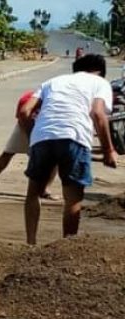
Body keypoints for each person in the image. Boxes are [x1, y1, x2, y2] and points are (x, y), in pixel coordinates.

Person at [22, 53, 118, 246]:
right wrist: (109, 151)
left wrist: (33, 139)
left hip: (42, 136)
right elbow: (98, 113)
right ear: (100, 72)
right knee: (72, 198)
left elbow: (25, 112)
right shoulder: (100, 83)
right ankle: (66, 248)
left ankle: (30, 244)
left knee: (33, 193)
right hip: (74, 137)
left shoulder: (52, 81)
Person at [0, 91, 56, 199]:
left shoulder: (55, 101)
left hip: (43, 130)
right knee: (8, 153)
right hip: (24, 128)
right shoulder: (26, 99)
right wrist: (30, 139)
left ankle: (45, 189)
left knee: (54, 159)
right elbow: (22, 119)